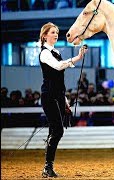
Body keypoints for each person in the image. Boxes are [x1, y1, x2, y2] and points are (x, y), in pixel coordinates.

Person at [38, 22, 87, 178]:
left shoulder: (56, 52)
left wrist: (64, 100)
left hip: (58, 96)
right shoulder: (44, 53)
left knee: (55, 130)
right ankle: (47, 167)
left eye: (57, 32)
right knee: (58, 130)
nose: (56, 34)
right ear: (45, 35)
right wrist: (78, 57)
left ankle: (48, 167)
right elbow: (59, 67)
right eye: (53, 32)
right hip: (49, 96)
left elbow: (59, 78)